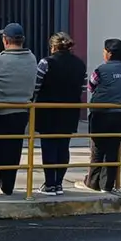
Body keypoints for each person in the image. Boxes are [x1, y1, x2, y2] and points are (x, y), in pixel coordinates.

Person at [0, 23, 38, 196]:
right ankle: (7, 187)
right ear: (22, 40)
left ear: (5, 40)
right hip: (21, 111)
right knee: (12, 151)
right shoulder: (32, 59)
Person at [34, 32, 87, 196]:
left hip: (47, 111)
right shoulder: (80, 64)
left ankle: (49, 184)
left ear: (53, 47)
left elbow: (36, 86)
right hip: (70, 111)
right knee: (63, 147)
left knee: (49, 147)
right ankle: (58, 184)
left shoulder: (46, 63)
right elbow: (83, 88)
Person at [83, 39, 121, 194]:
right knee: (113, 149)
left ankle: (93, 182)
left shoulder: (101, 69)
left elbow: (91, 86)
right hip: (120, 113)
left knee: (98, 148)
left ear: (109, 53)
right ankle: (107, 185)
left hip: (101, 113)